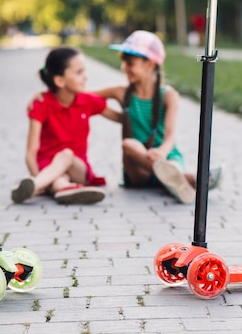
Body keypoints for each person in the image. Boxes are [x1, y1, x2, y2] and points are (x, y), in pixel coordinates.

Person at [94, 30, 222, 204]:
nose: (124, 67)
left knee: (172, 164)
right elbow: (87, 99)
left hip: (166, 156)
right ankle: (186, 180)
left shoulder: (168, 96)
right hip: (138, 169)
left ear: (150, 64)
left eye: (130, 63)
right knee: (128, 144)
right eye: (123, 62)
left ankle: (173, 178)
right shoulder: (121, 93)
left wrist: (161, 152)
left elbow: (170, 136)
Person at [11, 46, 121, 205]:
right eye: (79, 72)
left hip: (79, 169)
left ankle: (35, 186)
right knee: (59, 179)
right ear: (59, 80)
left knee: (67, 155)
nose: (86, 77)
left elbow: (119, 118)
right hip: (47, 169)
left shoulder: (87, 101)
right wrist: (39, 175)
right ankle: (64, 189)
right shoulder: (41, 105)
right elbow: (30, 153)